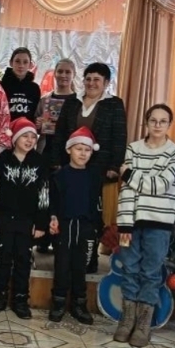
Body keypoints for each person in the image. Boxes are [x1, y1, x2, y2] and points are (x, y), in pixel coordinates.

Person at [113, 104, 175, 348]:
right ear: (146, 122)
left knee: (151, 272)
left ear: (169, 124)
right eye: (153, 120)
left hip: (159, 222)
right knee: (130, 269)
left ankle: (143, 324)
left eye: (163, 121)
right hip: (130, 221)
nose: (157, 125)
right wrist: (124, 222)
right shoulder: (133, 148)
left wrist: (131, 175)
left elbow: (162, 185)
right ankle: (127, 320)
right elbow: (128, 190)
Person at [52, 62, 127, 273]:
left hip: (99, 169)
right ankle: (64, 255)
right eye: (88, 79)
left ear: (106, 82)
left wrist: (114, 165)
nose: (92, 83)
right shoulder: (72, 102)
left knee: (92, 215)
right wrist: (56, 161)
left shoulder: (114, 104)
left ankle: (89, 259)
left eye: (97, 79)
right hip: (71, 168)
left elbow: (120, 137)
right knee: (69, 211)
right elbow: (60, 133)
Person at [0, 118, 49, 319]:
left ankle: (21, 299)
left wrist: (41, 222)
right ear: (15, 139)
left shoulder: (39, 162)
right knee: (3, 257)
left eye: (33, 137)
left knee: (23, 259)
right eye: (25, 136)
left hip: (27, 220)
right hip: (4, 218)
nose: (29, 140)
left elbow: (44, 194)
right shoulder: (1, 160)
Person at [48, 126, 103, 325]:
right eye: (79, 149)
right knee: (62, 265)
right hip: (64, 225)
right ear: (69, 149)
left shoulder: (94, 176)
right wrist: (53, 217)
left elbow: (97, 203)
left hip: (85, 226)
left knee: (81, 267)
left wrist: (97, 227)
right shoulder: (59, 175)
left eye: (87, 150)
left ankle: (79, 304)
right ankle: (58, 302)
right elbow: (53, 201)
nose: (83, 153)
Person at [35, 58, 77, 254]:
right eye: (60, 71)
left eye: (68, 72)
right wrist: (38, 125)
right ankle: (43, 237)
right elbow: (36, 128)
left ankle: (61, 238)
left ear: (73, 75)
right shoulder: (45, 100)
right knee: (45, 195)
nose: (63, 75)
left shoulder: (78, 101)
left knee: (64, 196)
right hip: (46, 150)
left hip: (68, 155)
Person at [0, 47, 41, 122]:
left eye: (25, 62)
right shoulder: (1, 86)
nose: (21, 65)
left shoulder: (34, 88)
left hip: (27, 128)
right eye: (17, 61)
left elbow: (36, 114)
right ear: (11, 63)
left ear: (30, 65)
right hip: (4, 127)